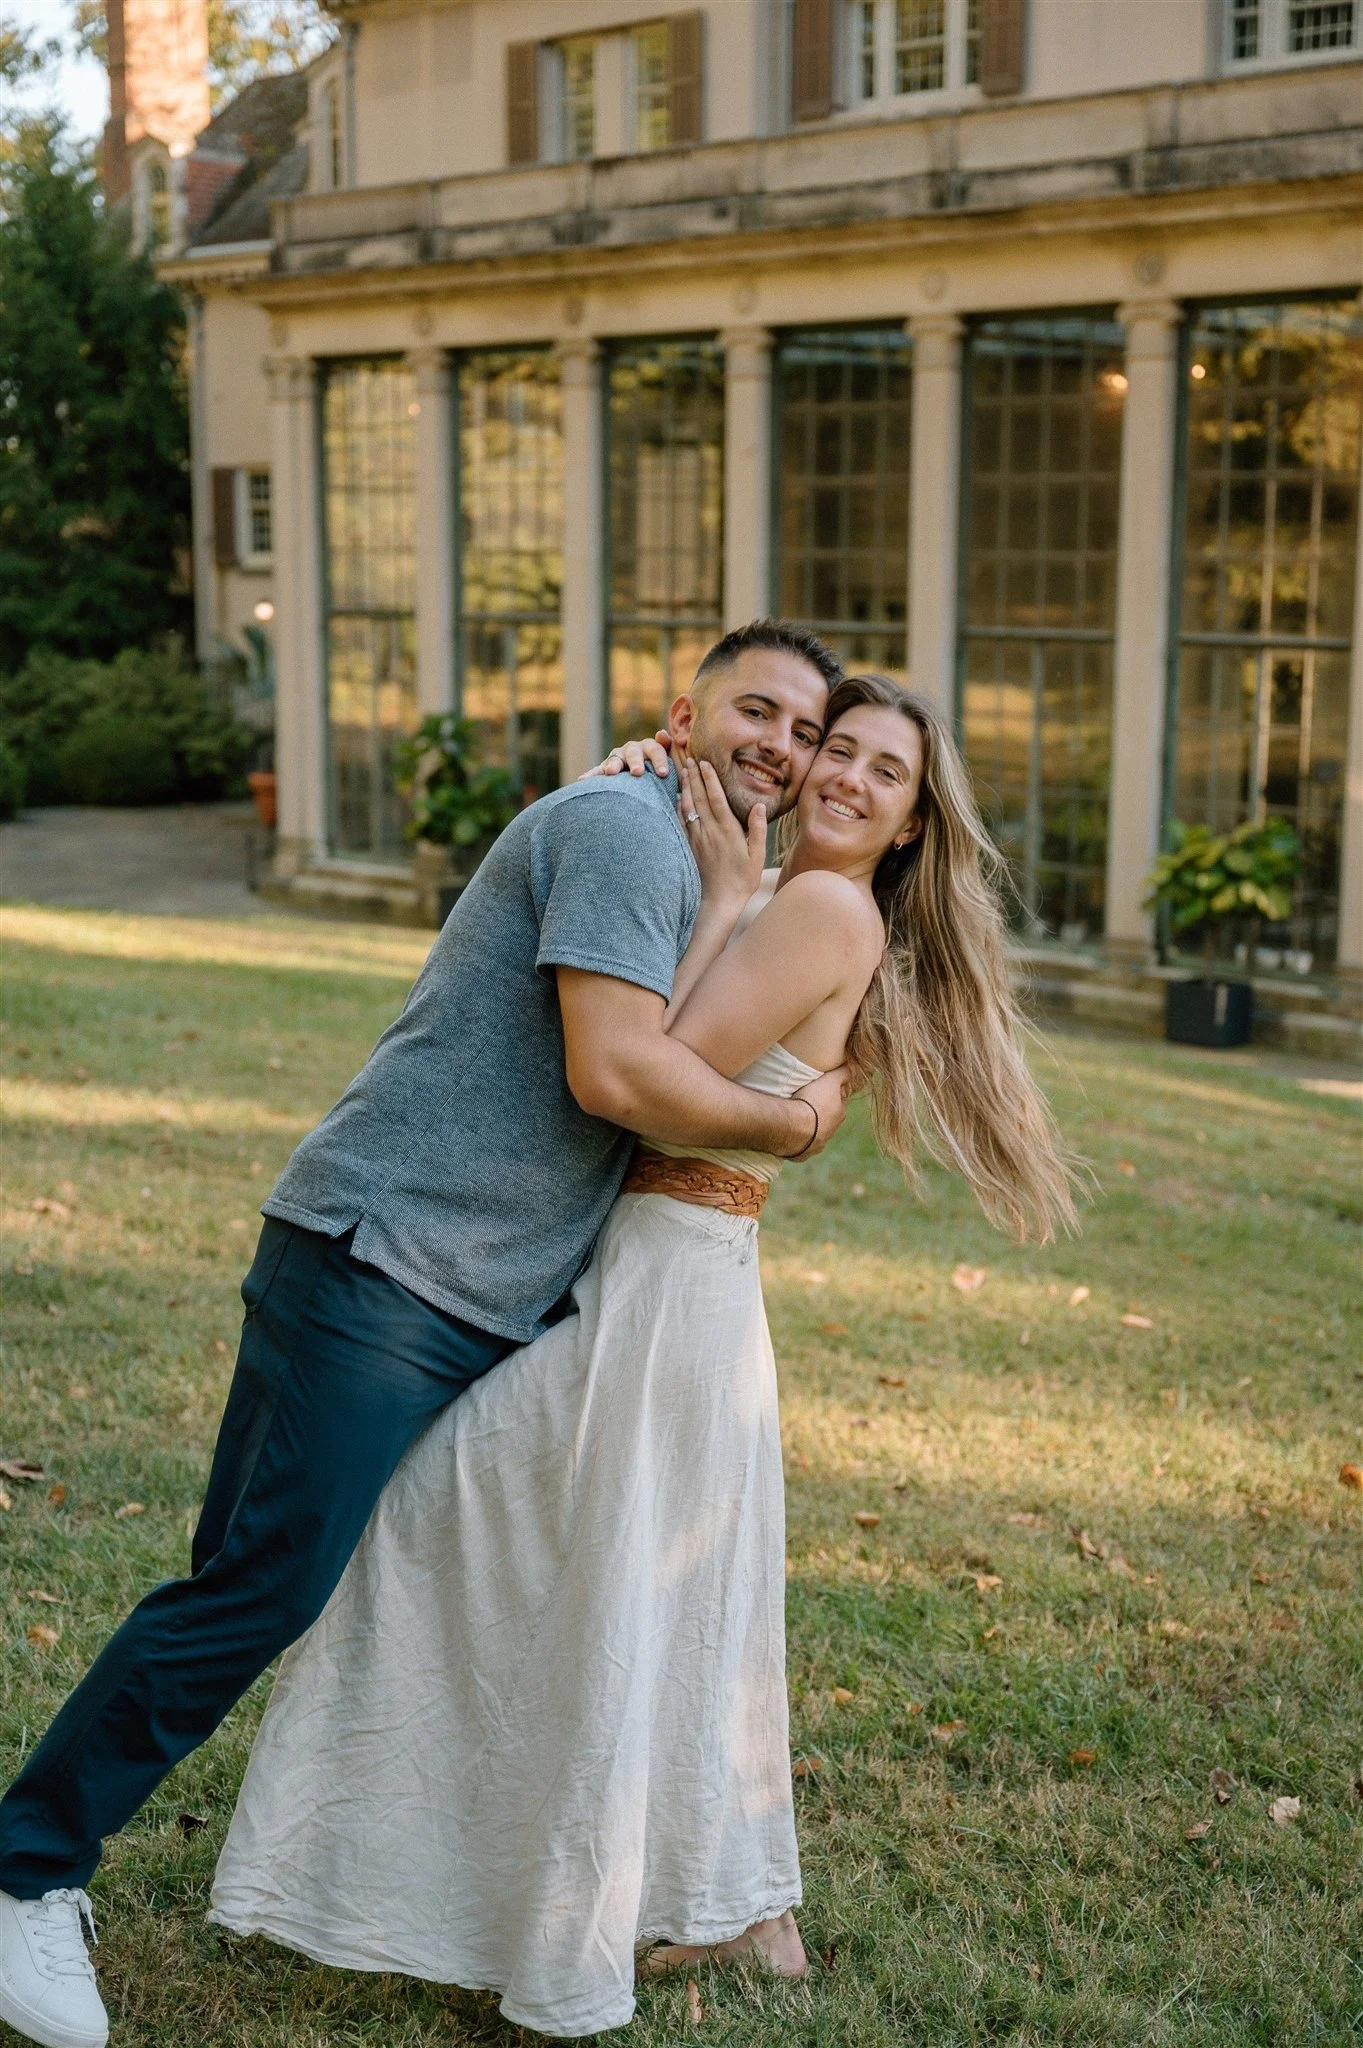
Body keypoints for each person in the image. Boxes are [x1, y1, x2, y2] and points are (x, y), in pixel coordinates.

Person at [0, 620, 852, 2048]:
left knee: (393, 1572)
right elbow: (615, 1074)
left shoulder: (695, 852)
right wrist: (796, 1122)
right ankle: (25, 1875)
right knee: (258, 1586)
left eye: (803, 729)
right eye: (752, 709)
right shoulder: (624, 828)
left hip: (487, 1293)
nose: (779, 744)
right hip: (387, 1264)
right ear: (678, 712)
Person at [206, 673, 1079, 2038]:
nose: (842, 776)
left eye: (880, 772)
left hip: (666, 1271)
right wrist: (672, 822)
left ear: (912, 822)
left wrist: (724, 894)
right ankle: (742, 1911)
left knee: (464, 1525)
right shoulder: (808, 895)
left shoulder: (810, 904)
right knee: (665, 1586)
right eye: (832, 749)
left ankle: (565, 1906)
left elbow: (649, 1057)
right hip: (681, 1266)